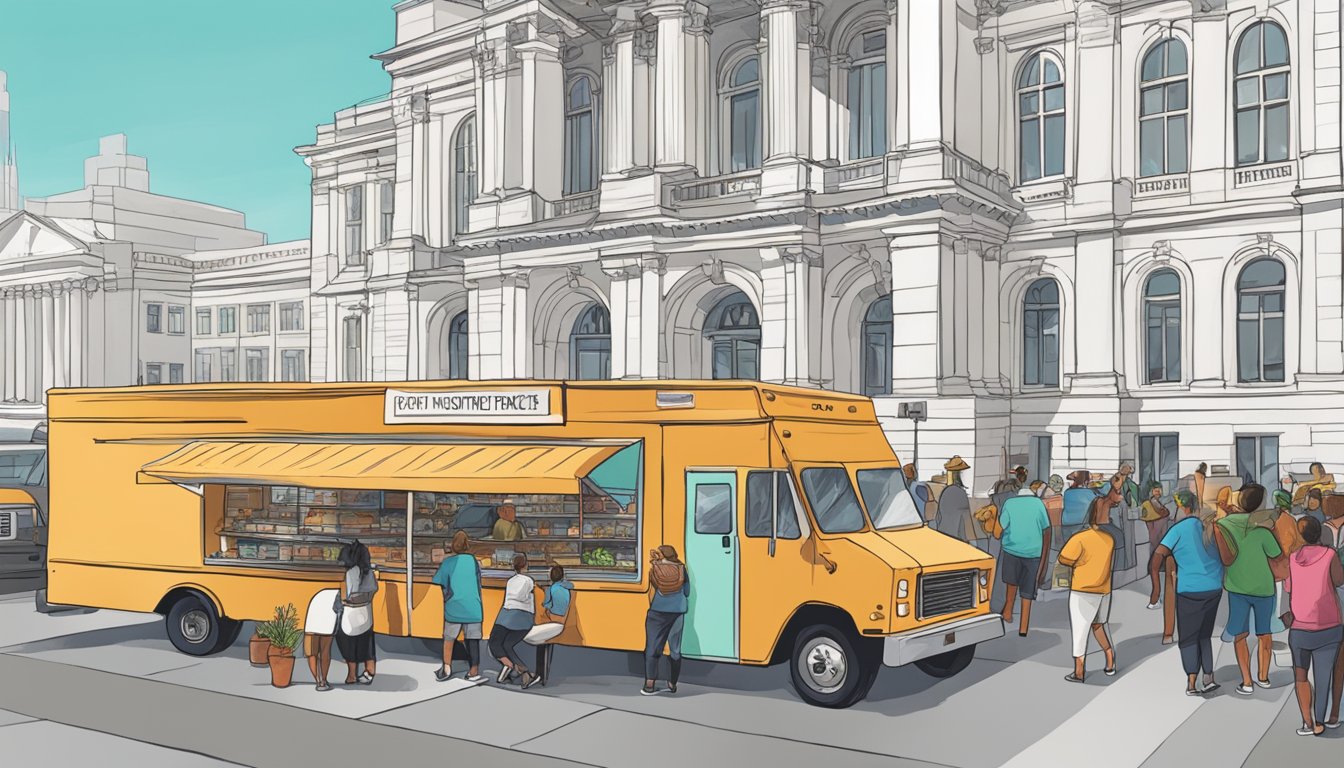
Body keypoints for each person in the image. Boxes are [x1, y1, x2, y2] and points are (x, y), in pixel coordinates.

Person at [1215, 484, 1286, 695]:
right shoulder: (1262, 527)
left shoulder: (1224, 524)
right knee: (1264, 633)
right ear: (1260, 504)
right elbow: (1276, 554)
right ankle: (1263, 677)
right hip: (1263, 588)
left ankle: (1246, 681)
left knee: (1240, 634)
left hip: (1237, 587)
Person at [1151, 500, 1224, 695]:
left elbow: (1159, 554)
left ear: (1186, 510)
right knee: (1204, 635)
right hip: (1214, 588)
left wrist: (1156, 586)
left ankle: (1192, 682)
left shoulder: (1179, 529)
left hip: (1189, 591)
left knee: (1189, 637)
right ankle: (1208, 677)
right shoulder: (1216, 529)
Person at [1283, 516, 1344, 736]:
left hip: (1300, 627)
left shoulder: (1292, 558)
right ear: (1320, 533)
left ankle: (1307, 722)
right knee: (1323, 675)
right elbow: (1339, 580)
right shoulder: (1330, 555)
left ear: (1300, 536)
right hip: (1328, 625)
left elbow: (1289, 587)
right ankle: (1320, 721)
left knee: (1300, 675)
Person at [1059, 498, 1117, 682]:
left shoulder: (1080, 538)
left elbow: (1064, 559)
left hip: (1082, 590)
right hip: (1104, 590)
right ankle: (1110, 658)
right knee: (1098, 626)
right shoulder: (1109, 539)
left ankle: (1079, 671)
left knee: (1080, 630)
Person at [995, 488, 1052, 637]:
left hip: (1012, 551)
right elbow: (1046, 528)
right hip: (1033, 554)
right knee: (1027, 592)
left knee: (1011, 584)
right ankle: (1023, 628)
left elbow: (997, 532)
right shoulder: (1038, 504)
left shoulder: (1010, 503)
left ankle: (1007, 614)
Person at [431, 531, 486, 683]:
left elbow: (438, 581)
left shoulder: (448, 562)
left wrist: (447, 595)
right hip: (473, 606)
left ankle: (447, 668)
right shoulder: (474, 561)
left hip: (454, 606)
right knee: (472, 640)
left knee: (449, 638)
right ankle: (473, 671)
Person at [643, 545, 689, 695]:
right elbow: (687, 592)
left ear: (662, 554)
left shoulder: (655, 569)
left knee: (652, 647)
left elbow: (652, 588)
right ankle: (672, 683)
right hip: (677, 612)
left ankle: (649, 685)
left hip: (657, 611)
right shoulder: (681, 568)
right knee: (675, 650)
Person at [489, 553, 539, 688]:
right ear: (526, 565)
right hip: (522, 618)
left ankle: (510, 665)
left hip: (505, 615)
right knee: (508, 644)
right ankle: (523, 671)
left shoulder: (510, 581)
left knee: (495, 643)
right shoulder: (529, 581)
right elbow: (523, 597)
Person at [335, 541, 378, 686]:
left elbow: (349, 595)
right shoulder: (369, 572)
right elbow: (372, 591)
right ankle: (369, 670)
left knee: (347, 642)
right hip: (366, 612)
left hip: (351, 614)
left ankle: (352, 675)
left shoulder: (350, 572)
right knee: (366, 642)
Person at [525, 565, 573, 686]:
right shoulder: (567, 587)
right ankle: (542, 675)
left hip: (553, 622)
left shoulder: (550, 590)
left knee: (540, 642)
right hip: (563, 621)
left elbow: (546, 605)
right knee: (545, 643)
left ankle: (540, 675)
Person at [1141, 481, 1176, 643]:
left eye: (1159, 490)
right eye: (1156, 490)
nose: (1158, 492)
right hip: (1157, 538)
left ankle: (1155, 599)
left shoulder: (1154, 503)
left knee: (1155, 566)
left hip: (1157, 538)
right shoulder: (1151, 504)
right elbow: (1163, 513)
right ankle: (1154, 598)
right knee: (1155, 566)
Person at [1320, 494, 1344, 727]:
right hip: (1338, 587)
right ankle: (1336, 709)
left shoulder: (1322, 529)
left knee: (1333, 653)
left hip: (1327, 592)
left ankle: (1332, 710)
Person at [303, 587, 339, 691]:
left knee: (313, 651)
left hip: (315, 605)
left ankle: (319, 681)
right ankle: (322, 681)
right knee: (324, 650)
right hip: (329, 606)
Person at [935, 457, 974, 545]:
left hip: (944, 535)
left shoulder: (946, 491)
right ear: (958, 474)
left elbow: (938, 517)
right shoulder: (959, 493)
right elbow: (965, 521)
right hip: (957, 538)